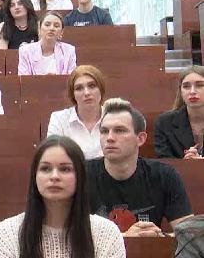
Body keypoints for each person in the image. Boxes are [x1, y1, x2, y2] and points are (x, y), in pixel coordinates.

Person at [87, 98, 194, 236]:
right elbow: (67, 235)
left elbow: (190, 235)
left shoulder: (164, 175)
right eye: (104, 131)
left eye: (119, 130)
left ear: (141, 138)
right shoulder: (81, 174)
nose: (110, 138)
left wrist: (158, 236)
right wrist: (125, 237)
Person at [47, 65, 108, 160]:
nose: (87, 93)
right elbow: (53, 156)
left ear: (101, 89)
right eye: (79, 88)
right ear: (73, 94)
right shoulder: (59, 119)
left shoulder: (114, 116)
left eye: (92, 86)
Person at [155, 66, 204, 159]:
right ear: (181, 91)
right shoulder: (164, 122)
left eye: (200, 85)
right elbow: (163, 161)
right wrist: (185, 163)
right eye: (186, 86)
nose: (192, 91)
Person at [18, 11, 77, 76]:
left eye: (56, 26)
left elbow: (72, 79)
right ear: (39, 29)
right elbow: (24, 79)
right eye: (47, 25)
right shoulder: (25, 51)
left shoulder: (69, 51)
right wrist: (45, 80)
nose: (51, 28)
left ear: (61, 32)